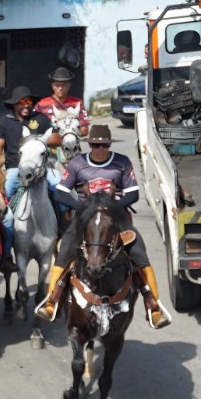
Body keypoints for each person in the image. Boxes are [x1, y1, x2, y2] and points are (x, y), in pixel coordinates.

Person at [35, 125, 171, 329]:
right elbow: (61, 193)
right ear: (89, 145)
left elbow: (133, 194)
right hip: (85, 220)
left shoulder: (122, 162)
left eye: (104, 145)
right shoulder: (77, 163)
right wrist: (83, 207)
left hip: (116, 219)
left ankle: (154, 306)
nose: (100, 149)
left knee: (139, 254)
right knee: (64, 252)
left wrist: (111, 207)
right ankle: (52, 301)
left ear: (109, 145)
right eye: (96, 145)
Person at [0, 85, 58, 201]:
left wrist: (40, 141)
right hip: (14, 168)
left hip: (41, 167)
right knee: (3, 195)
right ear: (14, 104)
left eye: (29, 101)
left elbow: (58, 139)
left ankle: (65, 212)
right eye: (22, 102)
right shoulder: (4, 120)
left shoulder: (41, 118)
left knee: (59, 185)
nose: (27, 105)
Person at [35, 67, 90, 138]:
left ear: (69, 86)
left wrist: (69, 134)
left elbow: (84, 130)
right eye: (57, 85)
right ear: (53, 86)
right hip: (48, 143)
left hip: (72, 142)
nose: (60, 88)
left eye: (64, 85)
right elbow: (34, 129)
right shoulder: (41, 104)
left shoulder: (77, 103)